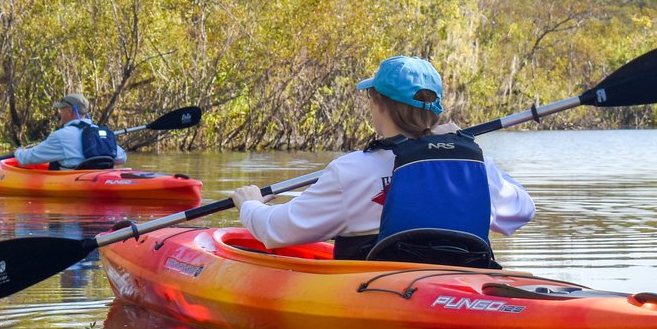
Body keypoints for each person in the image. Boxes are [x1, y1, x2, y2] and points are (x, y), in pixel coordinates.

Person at [227, 56, 533, 261]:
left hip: (379, 288)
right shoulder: (474, 165)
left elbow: (274, 231)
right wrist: (462, 147)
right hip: (456, 282)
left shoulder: (351, 170)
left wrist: (251, 203)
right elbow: (522, 211)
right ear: (436, 111)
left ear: (378, 104)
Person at [14, 93, 128, 170]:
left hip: (74, 181)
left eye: (61, 109)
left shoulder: (60, 136)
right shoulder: (101, 133)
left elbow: (25, 159)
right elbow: (121, 158)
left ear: (69, 111)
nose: (60, 113)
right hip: (100, 178)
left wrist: (19, 152)